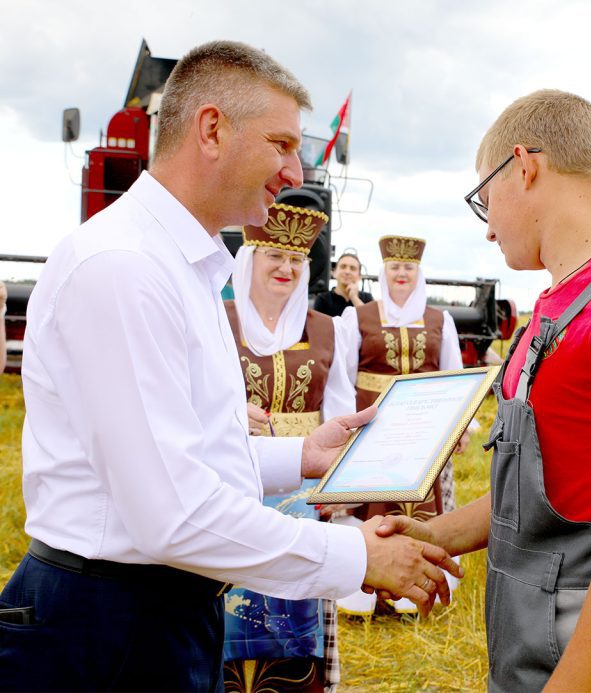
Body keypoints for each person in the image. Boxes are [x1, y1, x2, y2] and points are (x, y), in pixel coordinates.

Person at [0, 40, 459, 691]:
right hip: (103, 626)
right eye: (280, 144)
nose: (293, 169)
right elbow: (171, 512)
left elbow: (189, 450)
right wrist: (357, 553)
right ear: (211, 129)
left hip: (152, 611)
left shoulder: (182, 268)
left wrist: (300, 455)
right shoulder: (124, 269)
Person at [375, 89, 591, 691]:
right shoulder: (552, 306)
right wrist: (431, 536)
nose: (486, 231)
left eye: (484, 198)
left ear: (524, 166)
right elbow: (543, 496)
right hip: (529, 637)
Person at [221, 203, 353, 691]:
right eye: (274, 254)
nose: (286, 268)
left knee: (294, 628)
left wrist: (335, 496)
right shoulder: (216, 320)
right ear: (248, 258)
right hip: (229, 491)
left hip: (302, 498)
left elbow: (338, 416)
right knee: (229, 622)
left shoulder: (326, 329)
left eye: (297, 260)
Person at [331, 235, 466, 616]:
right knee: (372, 502)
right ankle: (361, 592)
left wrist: (459, 427)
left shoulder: (441, 320)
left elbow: (453, 374)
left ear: (417, 273)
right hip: (373, 425)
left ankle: (417, 591)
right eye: (395, 267)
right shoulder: (357, 317)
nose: (401, 273)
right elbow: (342, 374)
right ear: (383, 272)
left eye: (408, 267)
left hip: (425, 428)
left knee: (420, 503)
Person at [313, 250, 373, 317]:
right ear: (334, 272)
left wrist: (354, 298)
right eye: (343, 267)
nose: (347, 271)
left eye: (352, 268)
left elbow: (372, 323)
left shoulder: (367, 298)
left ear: (359, 276)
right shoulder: (323, 299)